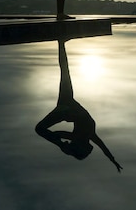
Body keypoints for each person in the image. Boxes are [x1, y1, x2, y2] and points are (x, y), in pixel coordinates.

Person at [35, 39, 123, 172]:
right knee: (64, 71)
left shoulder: (82, 136)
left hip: (65, 109)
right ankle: (61, 42)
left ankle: (61, 42)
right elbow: (103, 148)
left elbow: (58, 133)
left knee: (65, 71)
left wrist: (59, 143)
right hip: (66, 105)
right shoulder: (88, 135)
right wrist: (112, 160)